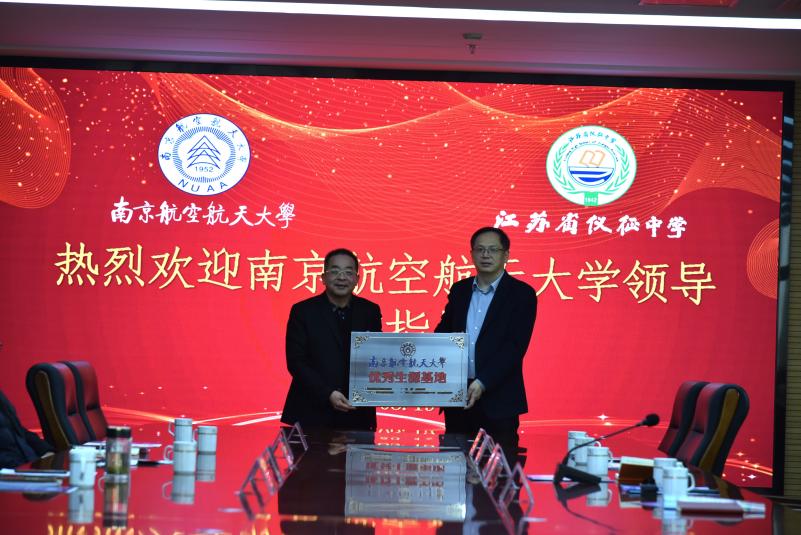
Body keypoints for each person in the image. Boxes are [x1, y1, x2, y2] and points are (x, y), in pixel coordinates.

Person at [435, 227, 537, 450]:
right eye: (480, 250)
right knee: (455, 466)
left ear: (506, 255)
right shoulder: (460, 290)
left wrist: (482, 382)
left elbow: (514, 347)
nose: (486, 255)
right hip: (459, 399)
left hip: (499, 403)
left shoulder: (522, 294)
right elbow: (443, 334)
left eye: (493, 250)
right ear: (472, 254)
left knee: (498, 469)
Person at [280, 248, 382, 431]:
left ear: (357, 279)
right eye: (335, 271)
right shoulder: (303, 311)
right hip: (311, 411)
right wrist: (327, 393)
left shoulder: (370, 311)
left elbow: (377, 356)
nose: (341, 277)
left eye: (348, 272)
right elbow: (296, 361)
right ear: (323, 277)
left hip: (357, 413)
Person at [1, 389, 54, 468]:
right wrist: (25, 467)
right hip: (13, 469)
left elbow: (20, 431)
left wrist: (46, 450)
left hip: (30, 464)